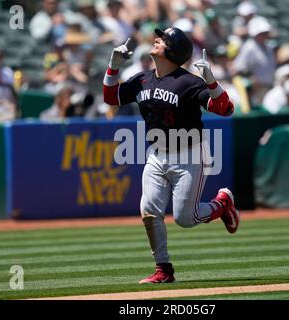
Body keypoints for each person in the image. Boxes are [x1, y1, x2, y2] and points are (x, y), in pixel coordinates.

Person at [103, 27, 240, 284]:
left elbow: (226, 109)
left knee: (185, 219)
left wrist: (211, 81)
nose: (156, 40)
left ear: (174, 50)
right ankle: (163, 270)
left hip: (189, 153)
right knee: (148, 209)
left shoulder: (188, 82)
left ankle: (222, 204)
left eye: (163, 39)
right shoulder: (143, 78)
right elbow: (111, 97)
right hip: (156, 153)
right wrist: (113, 67)